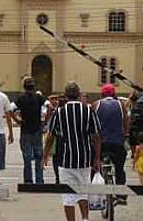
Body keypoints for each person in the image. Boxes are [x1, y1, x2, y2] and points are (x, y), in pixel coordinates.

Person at [43, 81, 101, 221]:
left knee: (68, 196)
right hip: (85, 158)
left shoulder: (59, 112)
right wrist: (97, 157)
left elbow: (51, 135)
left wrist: (45, 155)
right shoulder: (88, 110)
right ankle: (85, 218)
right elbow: (97, 136)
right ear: (79, 94)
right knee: (83, 190)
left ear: (66, 95)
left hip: (65, 159)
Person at [11, 76, 52, 184]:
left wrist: (17, 120)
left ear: (24, 86)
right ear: (33, 87)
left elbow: (10, 109)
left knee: (27, 156)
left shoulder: (21, 98)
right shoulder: (38, 97)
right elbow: (50, 107)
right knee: (39, 155)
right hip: (37, 129)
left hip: (25, 129)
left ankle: (28, 180)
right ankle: (39, 179)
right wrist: (45, 121)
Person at [92, 84, 128, 201]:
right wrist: (125, 134)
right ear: (114, 94)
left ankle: (94, 194)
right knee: (119, 169)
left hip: (101, 143)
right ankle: (121, 195)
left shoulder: (96, 104)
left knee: (95, 165)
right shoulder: (121, 105)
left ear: (102, 94)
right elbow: (126, 123)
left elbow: (91, 124)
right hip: (117, 142)